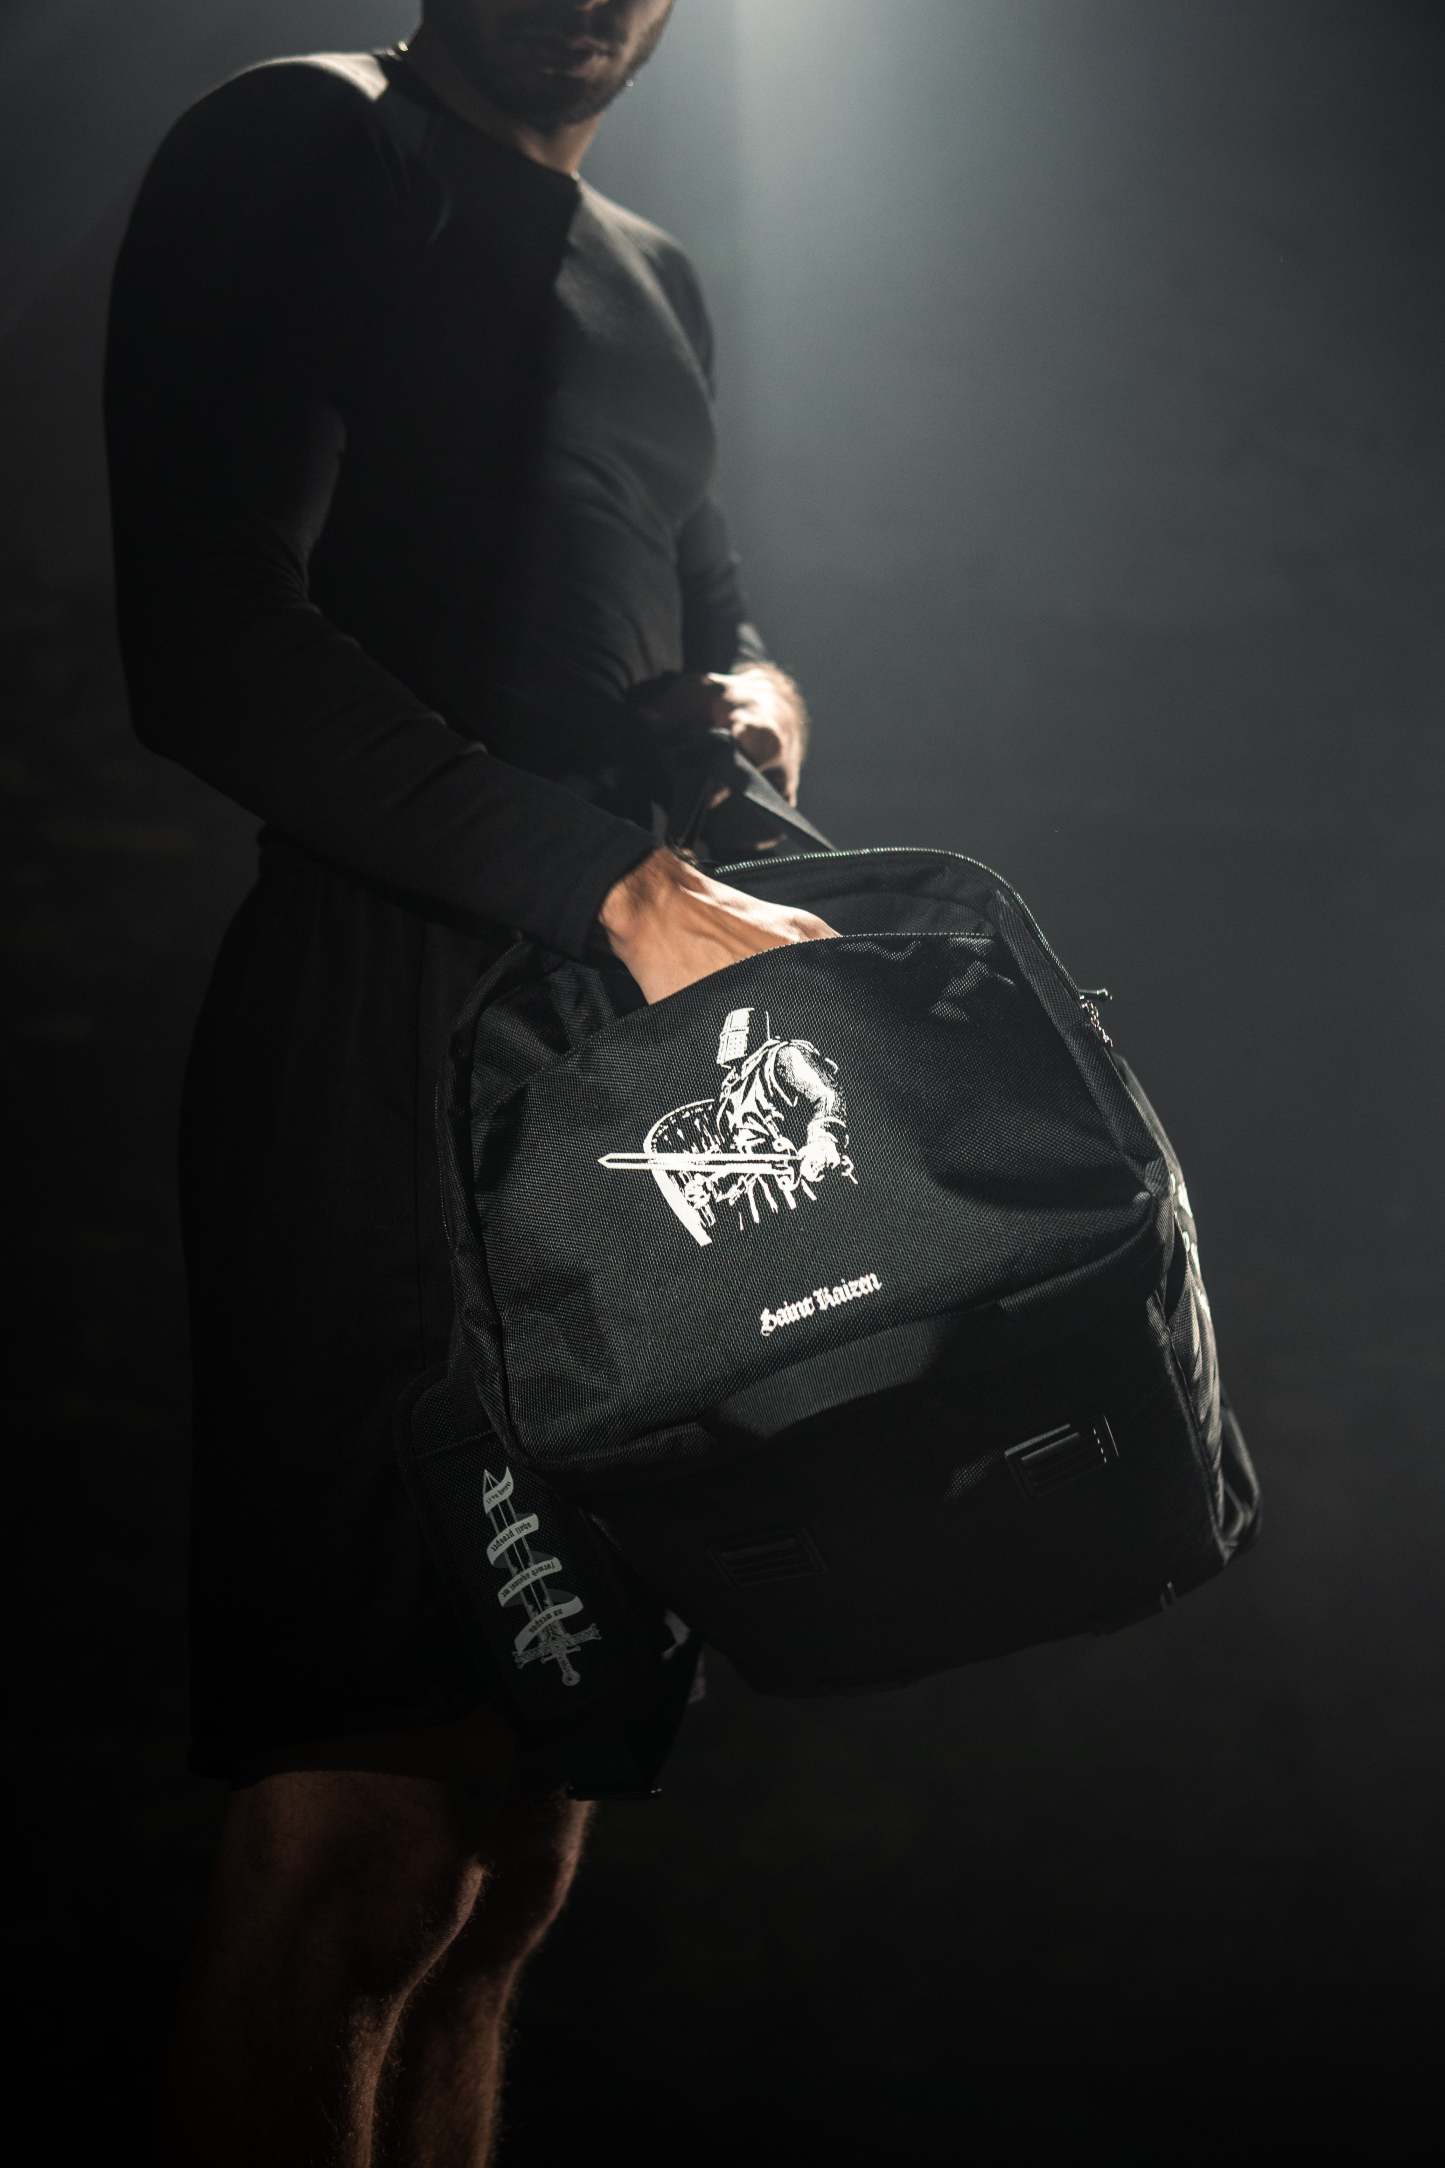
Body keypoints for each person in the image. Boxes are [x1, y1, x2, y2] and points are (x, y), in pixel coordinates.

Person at [103, 4, 836, 2160]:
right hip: (379, 1021)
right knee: (366, 1844)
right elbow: (205, 642)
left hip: (609, 1051)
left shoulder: (653, 271)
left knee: (513, 1867)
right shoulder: (304, 145)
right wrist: (596, 876)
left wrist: (757, 700)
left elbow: (708, 603)